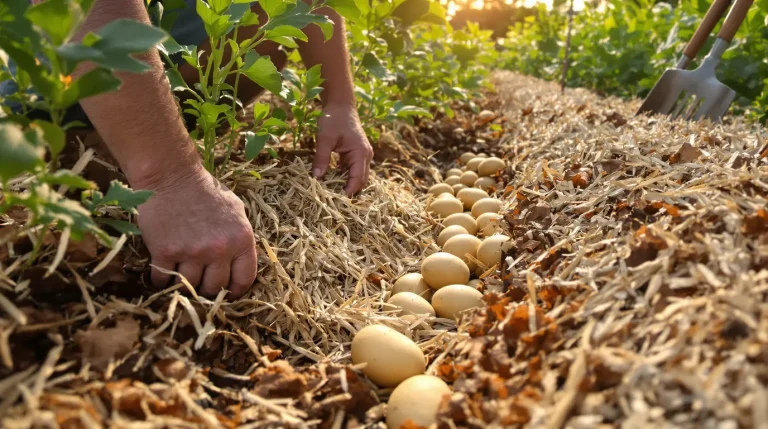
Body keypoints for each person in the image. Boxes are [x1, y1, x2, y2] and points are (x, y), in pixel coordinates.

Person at [73, 1, 373, 298]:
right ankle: (105, 125)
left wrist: (340, 103)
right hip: (61, 63)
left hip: (169, 47)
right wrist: (169, 179)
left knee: (277, 12)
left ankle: (160, 119)